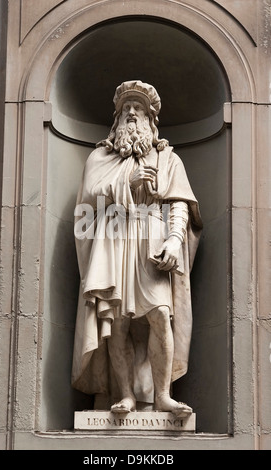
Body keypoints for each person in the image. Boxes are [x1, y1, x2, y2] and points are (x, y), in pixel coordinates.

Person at [72, 80, 202, 417]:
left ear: (150, 120)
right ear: (116, 122)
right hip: (114, 237)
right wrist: (125, 184)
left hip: (152, 237)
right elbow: (87, 199)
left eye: (139, 109)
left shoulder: (167, 158)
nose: (132, 113)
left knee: (160, 313)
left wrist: (175, 239)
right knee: (116, 321)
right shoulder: (101, 156)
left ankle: (162, 395)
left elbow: (179, 204)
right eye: (126, 109)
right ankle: (126, 395)